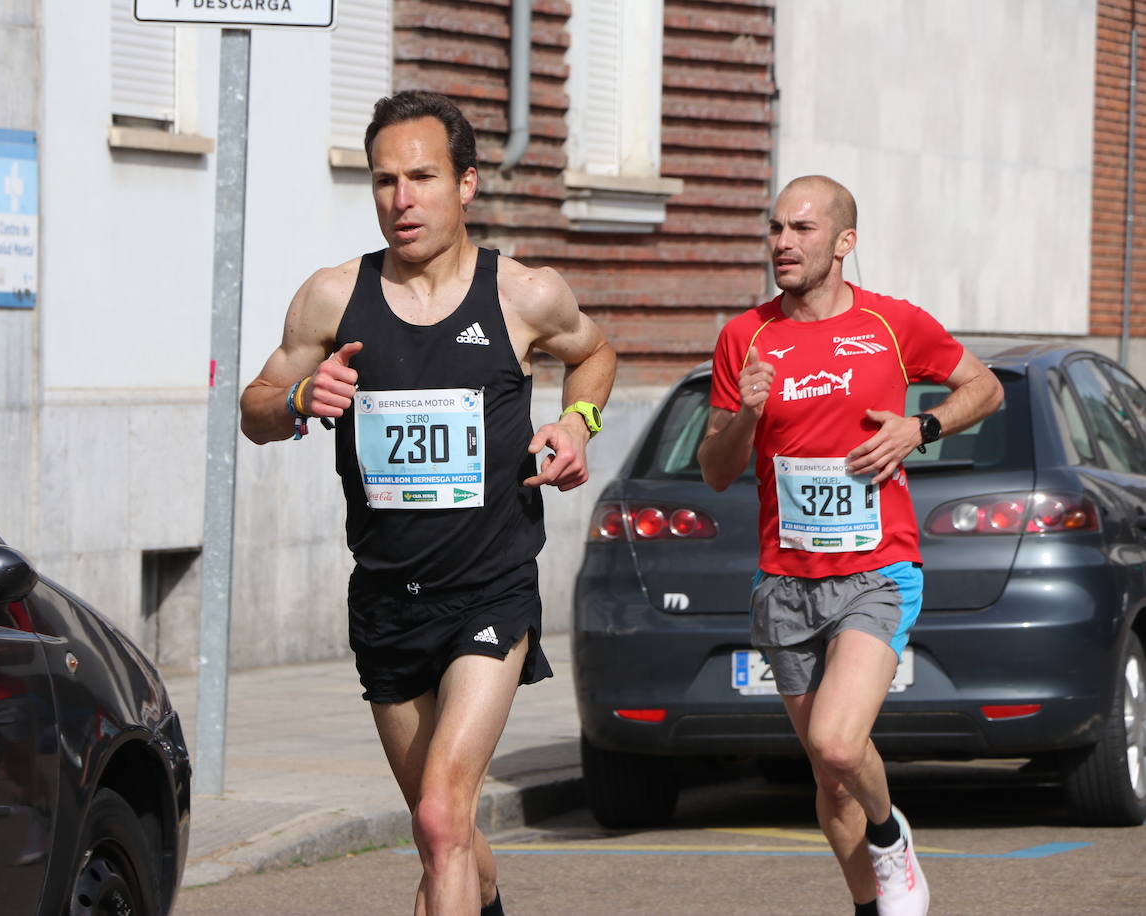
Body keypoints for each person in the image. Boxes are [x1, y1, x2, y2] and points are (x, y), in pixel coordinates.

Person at [240, 89, 615, 915]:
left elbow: (595, 355)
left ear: (467, 183)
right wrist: (301, 395)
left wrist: (578, 422)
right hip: (384, 600)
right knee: (441, 833)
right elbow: (254, 409)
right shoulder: (333, 297)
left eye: (421, 177)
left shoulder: (523, 294)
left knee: (444, 812)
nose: (401, 201)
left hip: (491, 590)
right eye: (383, 182)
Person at [698, 175, 1003, 916]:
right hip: (785, 580)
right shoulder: (747, 337)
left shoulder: (892, 324)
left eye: (801, 229)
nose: (782, 243)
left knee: (839, 744)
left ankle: (891, 834)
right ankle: (871, 905)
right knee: (826, 775)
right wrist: (748, 413)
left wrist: (919, 428)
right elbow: (715, 471)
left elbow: (984, 387)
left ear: (843, 242)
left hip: (877, 569)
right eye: (775, 228)